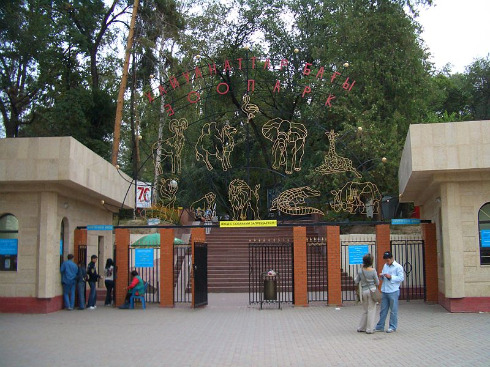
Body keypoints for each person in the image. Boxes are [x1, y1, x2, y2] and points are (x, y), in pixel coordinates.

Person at [375, 251, 404, 333]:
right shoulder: (385, 265)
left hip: (393, 290)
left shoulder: (398, 267)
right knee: (383, 309)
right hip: (385, 290)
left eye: (388, 260)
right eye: (385, 260)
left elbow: (401, 278)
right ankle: (380, 326)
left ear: (392, 258)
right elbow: (384, 275)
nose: (386, 262)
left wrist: (391, 277)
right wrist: (381, 276)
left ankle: (392, 326)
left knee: (393, 310)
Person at [354, 253, 380, 334]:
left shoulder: (360, 271)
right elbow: (377, 282)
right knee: (371, 310)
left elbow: (356, 281)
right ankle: (369, 329)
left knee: (365, 310)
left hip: (364, 291)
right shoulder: (373, 271)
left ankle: (361, 327)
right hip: (372, 290)